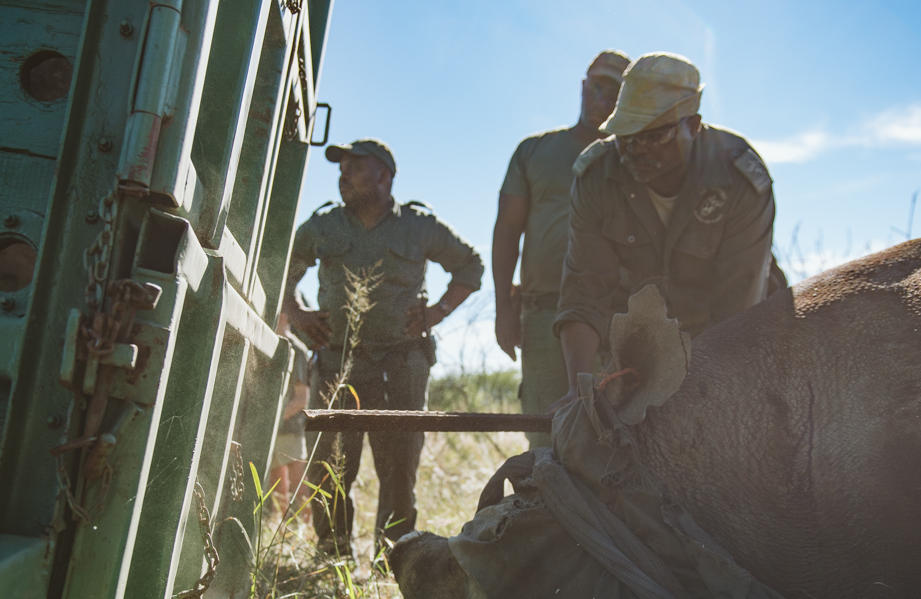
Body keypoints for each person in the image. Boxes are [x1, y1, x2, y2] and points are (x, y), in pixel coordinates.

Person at [284, 139, 484, 557]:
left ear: (384, 176)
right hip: (339, 361)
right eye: (341, 169)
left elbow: (471, 266)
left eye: (355, 168)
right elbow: (282, 268)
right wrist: (297, 312)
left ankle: (392, 562)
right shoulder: (323, 226)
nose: (343, 176)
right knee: (330, 465)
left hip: (402, 364)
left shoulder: (418, 226)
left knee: (398, 468)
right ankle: (332, 557)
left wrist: (438, 312)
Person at [553, 52, 786, 411]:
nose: (634, 150)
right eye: (625, 135)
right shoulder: (596, 176)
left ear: (692, 125)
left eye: (653, 136)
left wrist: (701, 398)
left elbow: (739, 311)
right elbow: (585, 292)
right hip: (638, 347)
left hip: (734, 341)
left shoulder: (741, 178)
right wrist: (578, 391)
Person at [493, 50, 630, 448]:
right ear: (584, 87)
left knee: (620, 437)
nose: (603, 101)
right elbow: (507, 231)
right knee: (548, 435)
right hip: (544, 313)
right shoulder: (535, 152)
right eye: (598, 88)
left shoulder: (634, 158)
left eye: (616, 94)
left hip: (616, 312)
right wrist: (505, 308)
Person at [269, 309, 312, 526]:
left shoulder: (296, 349)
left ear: (284, 317)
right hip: (273, 429)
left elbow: (302, 398)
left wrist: (274, 418)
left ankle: (306, 528)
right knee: (277, 485)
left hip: (291, 428)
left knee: (298, 484)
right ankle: (283, 531)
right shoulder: (272, 344)